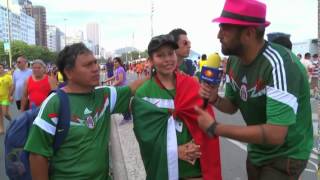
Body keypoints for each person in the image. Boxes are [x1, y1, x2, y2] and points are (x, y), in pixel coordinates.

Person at [194, 0, 313, 179]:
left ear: (248, 33)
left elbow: (275, 134)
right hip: (257, 150)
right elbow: (232, 106)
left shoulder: (280, 65)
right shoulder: (234, 60)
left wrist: (215, 128)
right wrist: (215, 99)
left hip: (287, 153)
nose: (219, 35)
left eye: (225, 28)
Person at [24, 43, 145, 180]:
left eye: (95, 63)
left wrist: (159, 70)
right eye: (88, 65)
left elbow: (133, 88)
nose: (96, 69)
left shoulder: (104, 95)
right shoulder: (55, 103)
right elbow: (37, 155)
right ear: (69, 72)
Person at [132, 34, 222, 180]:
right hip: (163, 170)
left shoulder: (192, 84)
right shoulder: (144, 93)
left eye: (171, 53)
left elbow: (206, 124)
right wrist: (175, 151)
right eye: (160, 55)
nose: (167, 59)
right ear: (151, 61)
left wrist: (199, 144)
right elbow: (145, 138)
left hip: (195, 170)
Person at [104, 57, 132, 124]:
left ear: (119, 62)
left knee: (122, 103)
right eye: (114, 62)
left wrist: (112, 85)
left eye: (116, 62)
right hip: (120, 89)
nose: (114, 63)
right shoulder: (117, 69)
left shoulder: (120, 69)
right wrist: (106, 80)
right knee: (123, 103)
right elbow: (114, 77)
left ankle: (127, 118)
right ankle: (128, 117)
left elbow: (120, 80)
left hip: (122, 89)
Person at [0, 63, 13, 134]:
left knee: (5, 113)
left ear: (3, 68)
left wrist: (10, 96)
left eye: (0, 68)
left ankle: (12, 121)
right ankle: (1, 128)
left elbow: (11, 87)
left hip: (5, 98)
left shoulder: (8, 77)